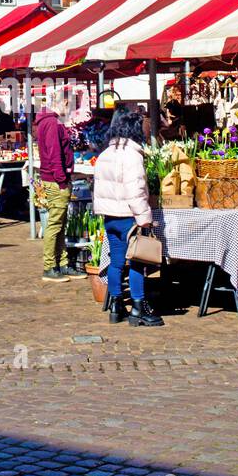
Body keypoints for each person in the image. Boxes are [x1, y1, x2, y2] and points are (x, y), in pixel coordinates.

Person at [93, 108, 161, 327]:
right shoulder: (132, 155)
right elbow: (137, 190)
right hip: (128, 215)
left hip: (110, 215)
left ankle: (116, 305)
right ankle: (138, 307)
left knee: (116, 261)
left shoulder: (105, 154)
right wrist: (144, 218)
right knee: (138, 261)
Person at [35, 94, 81, 282]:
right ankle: (49, 266)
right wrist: (62, 180)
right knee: (55, 224)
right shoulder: (52, 123)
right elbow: (54, 154)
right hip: (55, 180)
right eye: (69, 107)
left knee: (60, 224)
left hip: (53, 178)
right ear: (63, 103)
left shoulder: (47, 121)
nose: (70, 112)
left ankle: (62, 264)